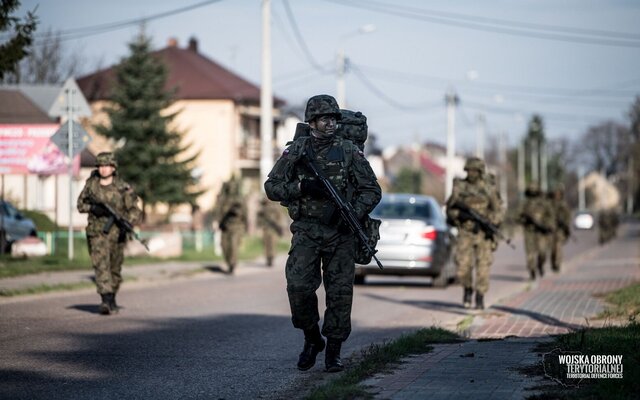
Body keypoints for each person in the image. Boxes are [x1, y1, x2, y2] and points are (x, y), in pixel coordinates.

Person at [264, 94, 381, 373]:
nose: (331, 124)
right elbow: (272, 187)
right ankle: (312, 338)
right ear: (312, 121)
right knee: (299, 287)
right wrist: (302, 188)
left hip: (340, 234)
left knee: (340, 294)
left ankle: (334, 352)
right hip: (306, 230)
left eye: (334, 119)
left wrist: (351, 212)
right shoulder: (297, 150)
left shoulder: (349, 150)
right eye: (326, 118)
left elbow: (372, 190)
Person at [77, 152, 142, 315]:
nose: (104, 169)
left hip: (118, 233)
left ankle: (112, 297)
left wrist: (126, 221)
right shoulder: (91, 185)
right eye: (100, 166)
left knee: (115, 268)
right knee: (101, 265)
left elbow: (135, 210)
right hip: (97, 232)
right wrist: (93, 208)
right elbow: (80, 204)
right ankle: (105, 300)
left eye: (107, 166)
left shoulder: (123, 188)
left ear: (113, 167)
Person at [446, 157, 503, 310]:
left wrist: (489, 221)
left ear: (480, 172)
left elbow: (498, 210)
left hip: (483, 234)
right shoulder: (460, 188)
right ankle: (467, 289)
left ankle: (480, 296)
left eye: (474, 171)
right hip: (465, 232)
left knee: (483, 267)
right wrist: (459, 215)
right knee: (462, 266)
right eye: (469, 170)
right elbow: (450, 209)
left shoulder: (488, 188)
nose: (471, 173)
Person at [518, 182, 554, 280]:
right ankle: (532, 271)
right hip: (529, 231)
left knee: (542, 252)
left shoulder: (544, 203)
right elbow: (518, 216)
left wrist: (547, 225)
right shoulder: (524, 203)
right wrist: (524, 219)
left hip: (541, 232)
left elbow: (550, 215)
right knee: (530, 252)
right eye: (531, 190)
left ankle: (540, 265)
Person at [214, 176, 247, 274]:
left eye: (232, 187)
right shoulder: (222, 199)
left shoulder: (239, 199)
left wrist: (236, 211)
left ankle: (233, 264)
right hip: (224, 227)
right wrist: (216, 221)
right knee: (224, 246)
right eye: (229, 187)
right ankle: (229, 263)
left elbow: (243, 212)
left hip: (236, 227)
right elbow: (218, 211)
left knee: (233, 245)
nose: (231, 189)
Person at [548, 186, 571, 272]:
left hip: (560, 229)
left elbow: (567, 216)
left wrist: (565, 223)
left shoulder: (563, 204)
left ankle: (558, 263)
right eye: (555, 193)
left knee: (558, 246)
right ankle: (553, 263)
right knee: (552, 248)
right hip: (551, 229)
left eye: (558, 194)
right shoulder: (549, 204)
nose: (557, 195)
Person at [257, 197, 283, 267]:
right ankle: (268, 258)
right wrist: (260, 224)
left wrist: (279, 226)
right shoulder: (263, 208)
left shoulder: (275, 207)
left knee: (272, 243)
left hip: (273, 229)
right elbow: (259, 217)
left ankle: (271, 257)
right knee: (266, 243)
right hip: (266, 228)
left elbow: (279, 216)